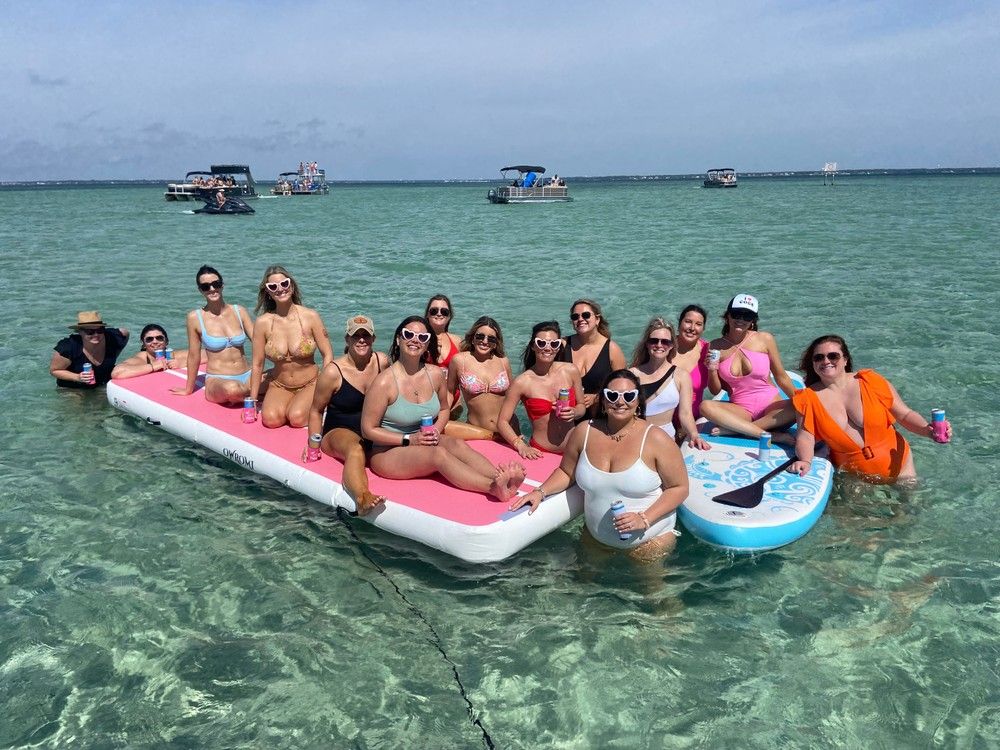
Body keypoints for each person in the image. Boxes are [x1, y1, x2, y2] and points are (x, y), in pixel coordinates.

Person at [510, 370, 689, 560]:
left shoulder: (656, 439)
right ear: (603, 400)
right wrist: (540, 492)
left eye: (629, 396)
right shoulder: (584, 431)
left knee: (651, 590)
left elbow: (680, 488)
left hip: (651, 540)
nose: (620, 402)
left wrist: (644, 518)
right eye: (612, 396)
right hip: (595, 540)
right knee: (582, 585)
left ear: (638, 402)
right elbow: (566, 471)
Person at [360, 316, 525, 501]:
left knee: (456, 444)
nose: (415, 340)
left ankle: (499, 477)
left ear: (427, 343)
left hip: (424, 440)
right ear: (399, 339)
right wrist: (409, 439)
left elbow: (445, 409)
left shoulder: (435, 374)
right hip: (388, 451)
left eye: (422, 337)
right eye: (409, 334)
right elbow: (368, 430)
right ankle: (492, 487)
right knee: (438, 455)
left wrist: (436, 431)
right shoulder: (384, 382)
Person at [788, 335, 951, 483]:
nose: (826, 361)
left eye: (833, 356)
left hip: (900, 466)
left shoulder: (869, 381)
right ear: (813, 364)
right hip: (856, 478)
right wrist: (805, 461)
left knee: (908, 514)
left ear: (845, 359)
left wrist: (927, 431)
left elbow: (904, 414)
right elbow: (806, 437)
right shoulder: (808, 398)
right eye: (818, 357)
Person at [305, 315, 390, 515]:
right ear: (347, 339)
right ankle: (362, 498)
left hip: (372, 431)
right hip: (338, 432)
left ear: (373, 338)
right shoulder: (333, 372)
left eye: (366, 335)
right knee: (355, 449)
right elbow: (316, 410)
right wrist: (313, 446)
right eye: (356, 336)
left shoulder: (382, 362)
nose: (361, 340)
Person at [699, 294, 797, 442]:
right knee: (705, 406)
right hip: (741, 410)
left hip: (772, 409)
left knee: (800, 405)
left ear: (753, 321)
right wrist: (712, 369)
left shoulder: (764, 339)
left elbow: (781, 376)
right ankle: (770, 436)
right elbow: (715, 391)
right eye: (736, 314)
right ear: (727, 316)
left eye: (748, 316)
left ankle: (740, 430)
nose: (741, 320)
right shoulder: (715, 346)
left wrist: (805, 401)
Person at [249, 265, 334, 428]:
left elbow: (327, 354)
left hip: (311, 382)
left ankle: (307, 405)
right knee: (271, 420)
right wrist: (252, 401)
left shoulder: (310, 316)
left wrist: (326, 389)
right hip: (279, 384)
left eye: (284, 284)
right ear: (268, 292)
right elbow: (257, 363)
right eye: (273, 286)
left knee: (296, 418)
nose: (280, 289)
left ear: (292, 286)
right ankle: (291, 403)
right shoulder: (263, 323)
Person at [496, 321, 585, 458]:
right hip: (541, 452)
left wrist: (575, 412)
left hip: (573, 450)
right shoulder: (522, 382)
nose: (548, 348)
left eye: (554, 344)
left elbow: (581, 406)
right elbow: (502, 421)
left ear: (559, 347)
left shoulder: (570, 371)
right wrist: (520, 445)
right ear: (533, 346)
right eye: (541, 343)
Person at [171, 265, 255, 405]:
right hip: (219, 379)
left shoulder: (239, 311)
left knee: (280, 378)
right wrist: (188, 389)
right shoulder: (195, 318)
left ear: (222, 285)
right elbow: (194, 355)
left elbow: (259, 343)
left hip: (248, 374)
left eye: (216, 284)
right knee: (233, 389)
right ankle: (253, 393)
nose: (212, 289)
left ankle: (248, 392)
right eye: (205, 287)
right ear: (200, 290)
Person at [628, 317, 709, 450]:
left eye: (665, 342)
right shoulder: (632, 374)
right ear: (647, 344)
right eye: (654, 341)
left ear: (672, 345)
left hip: (666, 442)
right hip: (636, 440)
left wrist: (694, 435)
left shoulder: (681, 376)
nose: (659, 345)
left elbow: (685, 414)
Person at [445, 316, 517, 440]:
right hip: (477, 432)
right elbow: (449, 392)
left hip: (508, 430)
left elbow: (513, 395)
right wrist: (442, 416)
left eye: (491, 338)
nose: (485, 341)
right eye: (480, 336)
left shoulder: (503, 361)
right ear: (472, 338)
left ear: (496, 343)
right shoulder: (459, 360)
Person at [558, 298, 626, 416]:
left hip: (600, 419)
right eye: (575, 317)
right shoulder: (563, 344)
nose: (580, 319)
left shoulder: (612, 349)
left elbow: (624, 385)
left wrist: (597, 397)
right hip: (567, 415)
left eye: (586, 315)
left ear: (597, 319)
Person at [50, 311, 129, 388]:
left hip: (101, 383)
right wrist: (77, 377)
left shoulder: (112, 338)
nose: (96, 335)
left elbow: (125, 332)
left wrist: (114, 355)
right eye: (90, 331)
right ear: (79, 332)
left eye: (99, 330)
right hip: (73, 387)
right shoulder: (68, 347)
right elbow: (54, 371)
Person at [671, 304, 717, 420]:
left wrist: (712, 371)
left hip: (692, 420)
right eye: (688, 321)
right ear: (679, 323)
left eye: (698, 324)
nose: (692, 328)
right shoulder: (663, 346)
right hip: (663, 419)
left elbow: (715, 390)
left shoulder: (708, 350)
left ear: (703, 329)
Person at [110, 323, 201, 379]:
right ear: (144, 344)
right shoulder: (142, 358)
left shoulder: (172, 355)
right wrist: (153, 366)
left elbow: (208, 354)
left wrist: (183, 362)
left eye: (159, 338)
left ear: (166, 341)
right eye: (149, 339)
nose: (155, 341)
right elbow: (117, 373)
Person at [424, 294, 463, 414]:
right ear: (427, 315)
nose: (439, 314)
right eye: (434, 310)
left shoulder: (458, 341)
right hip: (425, 402)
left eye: (444, 311)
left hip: (453, 402)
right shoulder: (420, 339)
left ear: (449, 316)